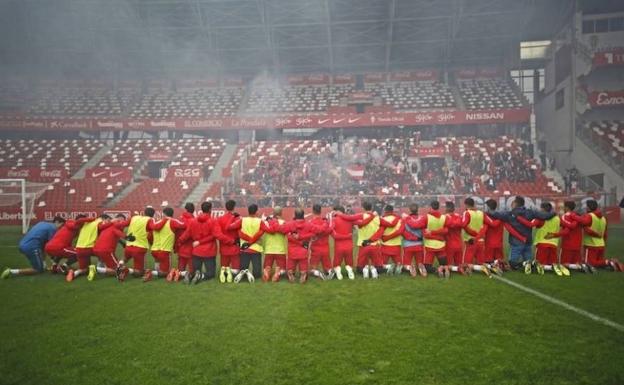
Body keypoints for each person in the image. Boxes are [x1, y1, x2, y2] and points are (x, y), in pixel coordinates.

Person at [487, 196, 555, 273]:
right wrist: (553, 213)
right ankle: (527, 264)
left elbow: (496, 214)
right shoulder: (530, 212)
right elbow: (545, 216)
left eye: (513, 202)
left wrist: (487, 211)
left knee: (512, 263)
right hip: (528, 240)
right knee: (528, 261)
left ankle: (522, 264)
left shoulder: (510, 213)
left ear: (515, 203)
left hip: (516, 241)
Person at [179, 201, 234, 284]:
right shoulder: (212, 221)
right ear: (210, 209)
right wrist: (231, 241)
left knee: (195, 271)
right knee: (211, 274)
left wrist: (179, 242)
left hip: (196, 251)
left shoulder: (193, 221)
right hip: (209, 252)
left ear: (201, 209)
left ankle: (190, 275)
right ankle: (200, 276)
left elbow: (186, 234)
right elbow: (219, 235)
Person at [335, 201, 384, 279]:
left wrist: (340, 214)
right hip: (375, 244)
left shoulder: (361, 215)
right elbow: (388, 225)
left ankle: (365, 270)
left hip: (363, 245)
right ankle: (374, 269)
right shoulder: (378, 218)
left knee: (359, 268)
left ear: (363, 208)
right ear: (371, 208)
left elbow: (350, 218)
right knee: (379, 266)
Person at [571, 199, 622, 272]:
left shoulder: (589, 216)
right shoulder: (603, 218)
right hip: (601, 244)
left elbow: (584, 222)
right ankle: (609, 264)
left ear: (588, 208)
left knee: (588, 264)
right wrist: (604, 243)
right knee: (598, 265)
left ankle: (610, 262)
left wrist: (573, 215)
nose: (585, 209)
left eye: (586, 207)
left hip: (591, 244)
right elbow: (605, 233)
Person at [402, 200, 449, 278]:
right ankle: (443, 268)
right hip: (441, 245)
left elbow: (415, 225)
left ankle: (435, 270)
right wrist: (436, 233)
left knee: (427, 266)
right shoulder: (444, 217)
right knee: (444, 263)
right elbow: (446, 230)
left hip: (430, 246)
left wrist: (407, 217)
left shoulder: (426, 217)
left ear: (430, 207)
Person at [516, 202, 565, 276]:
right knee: (550, 262)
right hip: (554, 244)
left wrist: (519, 218)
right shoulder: (557, 218)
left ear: (542, 209)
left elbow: (530, 224)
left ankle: (547, 267)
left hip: (542, 244)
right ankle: (552, 267)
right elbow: (567, 227)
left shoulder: (540, 218)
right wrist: (556, 235)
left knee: (539, 264)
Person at [143, 207, 187, 282]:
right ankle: (152, 273)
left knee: (158, 263)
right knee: (166, 273)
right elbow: (184, 225)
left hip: (154, 250)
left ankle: (155, 271)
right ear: (172, 214)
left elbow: (149, 236)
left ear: (163, 214)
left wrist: (152, 243)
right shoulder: (172, 221)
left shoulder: (156, 222)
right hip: (165, 251)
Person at [66, 214, 113, 282]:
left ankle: (74, 273)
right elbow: (102, 227)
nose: (108, 221)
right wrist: (112, 222)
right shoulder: (99, 222)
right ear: (104, 218)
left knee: (84, 269)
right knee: (103, 253)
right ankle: (100, 268)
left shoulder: (87, 223)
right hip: (89, 248)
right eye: (108, 220)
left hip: (79, 248)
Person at [227, 204, 267, 282]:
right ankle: (249, 273)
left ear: (248, 211)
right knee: (257, 274)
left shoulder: (242, 220)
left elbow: (229, 227)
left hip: (244, 249)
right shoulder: (260, 221)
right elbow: (267, 230)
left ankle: (246, 272)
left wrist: (233, 217)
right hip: (256, 249)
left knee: (243, 272)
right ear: (256, 211)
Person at [279, 208, 316, 283]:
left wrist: (290, 234)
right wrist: (303, 236)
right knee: (303, 263)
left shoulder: (290, 224)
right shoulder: (308, 224)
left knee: (291, 263)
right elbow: (314, 233)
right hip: (303, 249)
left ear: (295, 215)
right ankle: (303, 273)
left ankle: (290, 272)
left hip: (292, 250)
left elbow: (282, 230)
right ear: (303, 215)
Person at [92, 214, 134, 281]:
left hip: (96, 249)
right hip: (106, 250)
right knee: (118, 270)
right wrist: (127, 237)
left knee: (105, 260)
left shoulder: (108, 226)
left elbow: (114, 234)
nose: (121, 222)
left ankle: (100, 269)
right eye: (120, 220)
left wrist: (123, 242)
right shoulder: (115, 226)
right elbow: (118, 233)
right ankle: (96, 269)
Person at [548, 201, 587, 273]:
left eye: (564, 207)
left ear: (566, 207)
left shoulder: (565, 216)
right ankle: (582, 266)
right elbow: (583, 223)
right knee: (576, 265)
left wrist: (554, 235)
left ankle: (579, 266)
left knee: (562, 265)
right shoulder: (578, 217)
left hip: (567, 245)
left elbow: (567, 230)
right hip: (578, 245)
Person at [119, 207, 156, 279]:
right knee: (139, 272)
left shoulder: (134, 217)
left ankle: (119, 265)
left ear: (144, 212)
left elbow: (123, 224)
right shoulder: (150, 220)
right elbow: (154, 228)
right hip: (140, 248)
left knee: (125, 258)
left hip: (129, 246)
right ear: (153, 215)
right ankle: (127, 270)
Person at [460, 197, 491, 277]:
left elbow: (463, 225)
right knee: (480, 262)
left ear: (466, 204)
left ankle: (481, 268)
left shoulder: (467, 213)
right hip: (480, 241)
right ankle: (491, 266)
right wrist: (480, 234)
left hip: (470, 241)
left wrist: (472, 233)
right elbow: (489, 223)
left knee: (465, 264)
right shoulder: (481, 213)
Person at [217, 200, 242, 283]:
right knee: (236, 270)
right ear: (234, 207)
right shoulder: (237, 218)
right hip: (234, 247)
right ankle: (232, 273)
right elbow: (240, 232)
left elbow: (219, 234)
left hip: (224, 247)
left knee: (223, 269)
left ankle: (226, 273)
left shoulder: (220, 219)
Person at [262, 206, 288, 282]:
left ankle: (267, 271)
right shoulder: (284, 222)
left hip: (269, 250)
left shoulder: (267, 222)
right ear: (281, 213)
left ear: (273, 213)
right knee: (283, 269)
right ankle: (278, 272)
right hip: (280, 250)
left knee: (266, 266)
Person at [171, 202, 195, 282]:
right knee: (191, 266)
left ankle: (179, 274)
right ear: (193, 210)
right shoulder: (193, 220)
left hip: (181, 245)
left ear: (186, 209)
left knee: (181, 263)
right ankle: (190, 275)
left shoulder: (179, 219)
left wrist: (176, 244)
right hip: (190, 245)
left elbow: (175, 233)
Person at [308, 204, 333, 280]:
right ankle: (329, 273)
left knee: (311, 269)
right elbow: (330, 230)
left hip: (315, 248)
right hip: (325, 248)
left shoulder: (310, 222)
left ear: (313, 211)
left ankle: (318, 274)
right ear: (320, 211)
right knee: (327, 268)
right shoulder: (325, 222)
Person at [330, 205, 355, 280]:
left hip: (339, 245)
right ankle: (350, 271)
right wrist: (348, 236)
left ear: (338, 211)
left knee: (336, 264)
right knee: (349, 263)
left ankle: (338, 272)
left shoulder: (334, 220)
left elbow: (332, 232)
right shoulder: (349, 219)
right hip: (349, 245)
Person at [401, 203, 426, 277]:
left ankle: (410, 267)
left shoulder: (405, 219)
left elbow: (403, 232)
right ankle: (420, 266)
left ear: (409, 209)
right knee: (420, 262)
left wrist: (413, 238)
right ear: (418, 209)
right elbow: (424, 231)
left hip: (408, 245)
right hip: (419, 245)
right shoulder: (422, 218)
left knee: (405, 264)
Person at [380, 204, 403, 275]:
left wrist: (386, 238)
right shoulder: (399, 219)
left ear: (385, 211)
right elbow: (400, 231)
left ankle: (388, 267)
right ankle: (397, 267)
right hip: (396, 245)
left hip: (385, 245)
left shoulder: (382, 219)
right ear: (392, 210)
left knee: (381, 264)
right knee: (399, 263)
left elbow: (379, 231)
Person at [443, 202, 465, 275]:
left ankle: (456, 269)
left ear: (447, 208)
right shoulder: (459, 216)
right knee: (459, 263)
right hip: (459, 243)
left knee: (448, 265)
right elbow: (460, 224)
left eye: (445, 207)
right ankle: (459, 268)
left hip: (449, 243)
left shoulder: (445, 217)